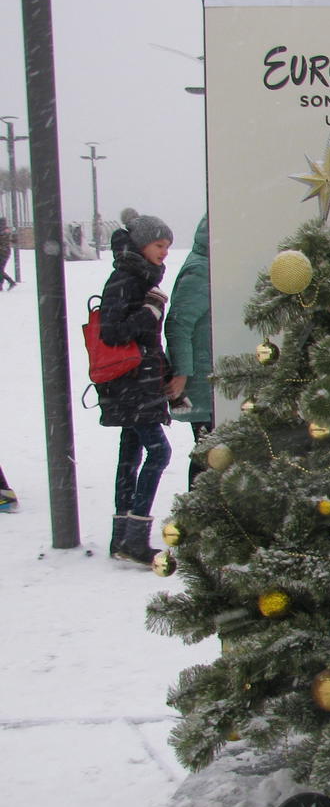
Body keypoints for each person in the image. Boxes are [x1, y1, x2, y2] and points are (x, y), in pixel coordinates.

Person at [98, 214, 174, 564]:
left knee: (130, 454)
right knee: (159, 453)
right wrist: (150, 310)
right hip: (130, 384)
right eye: (159, 245)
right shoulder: (125, 279)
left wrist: (166, 374)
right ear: (142, 244)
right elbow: (112, 333)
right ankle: (135, 537)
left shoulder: (138, 277)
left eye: (168, 246)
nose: (165, 252)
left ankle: (122, 539)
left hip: (137, 382)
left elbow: (147, 340)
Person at [164, 215, 213, 487]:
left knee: (211, 449)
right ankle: (199, 506)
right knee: (210, 452)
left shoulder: (210, 262)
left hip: (208, 377)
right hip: (202, 380)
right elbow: (178, 324)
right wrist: (181, 373)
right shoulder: (202, 269)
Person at [0, 217, 15, 289]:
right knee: (1, 269)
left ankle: (10, 282)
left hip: (2, 252)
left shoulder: (3, 232)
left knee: (0, 270)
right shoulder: (6, 231)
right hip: (5, 252)